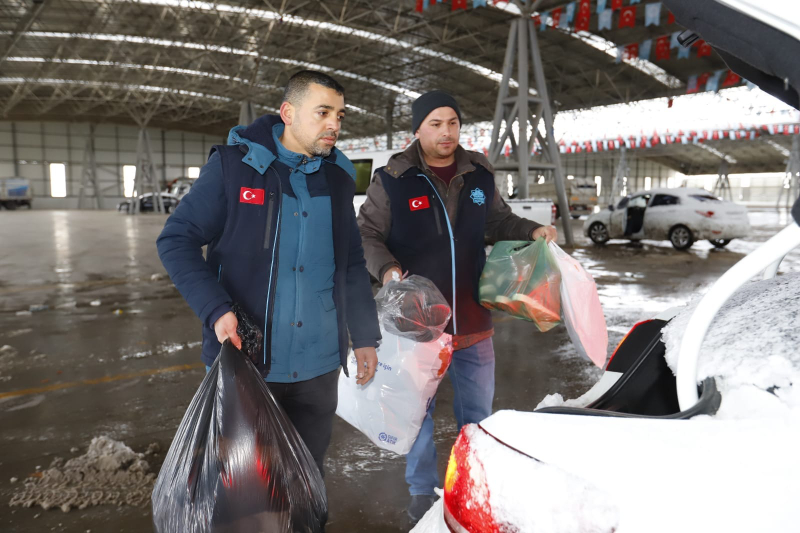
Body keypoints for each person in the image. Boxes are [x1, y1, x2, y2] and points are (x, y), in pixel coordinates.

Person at [157, 70, 381, 487]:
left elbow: (350, 262)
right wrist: (216, 309)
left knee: (306, 479)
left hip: (318, 368)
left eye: (340, 114)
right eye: (323, 112)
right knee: (244, 486)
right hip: (248, 363)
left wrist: (365, 335)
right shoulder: (234, 168)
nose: (335, 124)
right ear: (288, 113)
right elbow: (176, 241)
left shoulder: (337, 179)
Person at [357, 89, 557, 523]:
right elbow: (366, 234)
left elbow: (499, 221)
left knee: (478, 416)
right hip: (417, 324)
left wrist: (533, 230)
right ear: (417, 129)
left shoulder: (478, 172)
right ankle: (421, 496)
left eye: (452, 122)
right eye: (435, 123)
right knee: (418, 416)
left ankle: (474, 484)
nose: (446, 132)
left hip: (472, 318)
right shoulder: (393, 177)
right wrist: (388, 270)